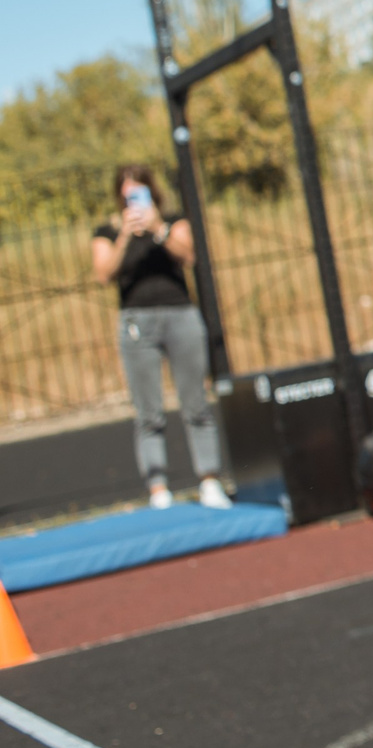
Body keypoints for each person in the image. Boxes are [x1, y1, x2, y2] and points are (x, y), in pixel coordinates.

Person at [91, 164, 227, 511]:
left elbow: (190, 255)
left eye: (139, 192)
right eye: (127, 195)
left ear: (152, 192)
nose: (132, 201)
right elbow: (103, 273)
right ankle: (158, 489)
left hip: (179, 314)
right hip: (137, 320)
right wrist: (125, 234)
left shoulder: (172, 221)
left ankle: (210, 481)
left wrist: (157, 228)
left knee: (196, 402)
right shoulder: (108, 231)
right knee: (148, 411)